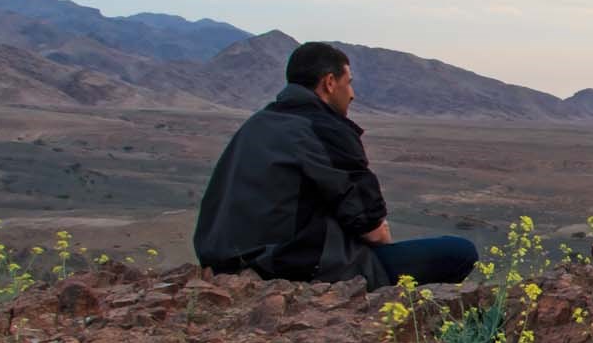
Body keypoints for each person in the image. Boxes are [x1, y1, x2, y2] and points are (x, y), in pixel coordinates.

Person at [193, 42, 477, 288]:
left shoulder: (257, 123)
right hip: (292, 265)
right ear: (329, 83)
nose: (352, 93)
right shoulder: (324, 129)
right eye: (348, 82)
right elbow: (374, 229)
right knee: (459, 251)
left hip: (225, 262)